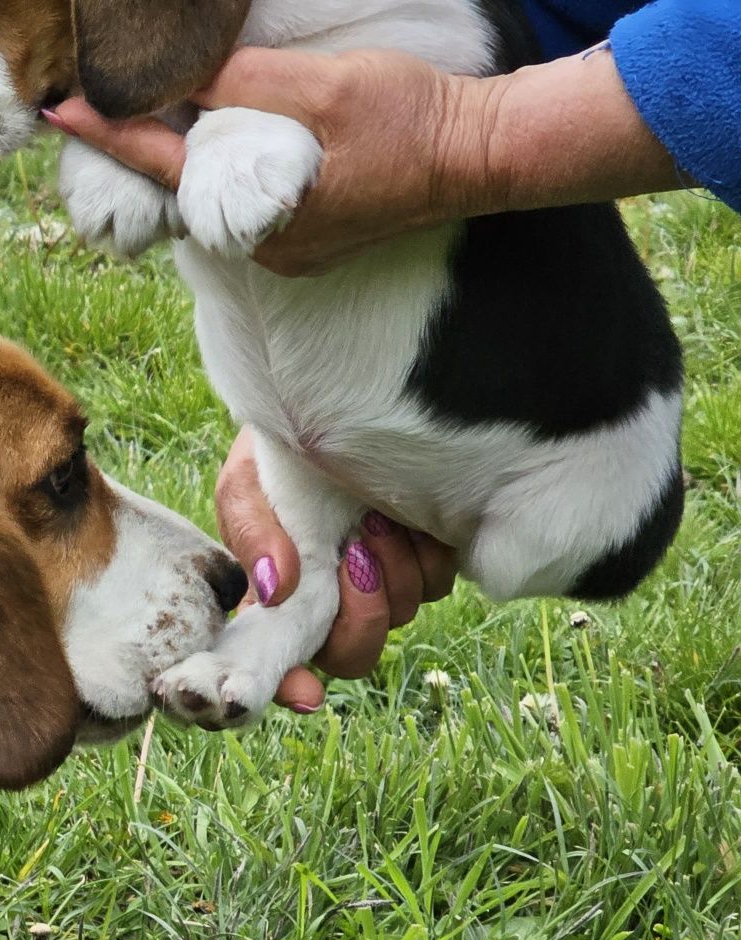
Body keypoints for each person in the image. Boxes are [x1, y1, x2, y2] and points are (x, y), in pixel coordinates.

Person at [47, 1, 740, 712]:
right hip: (387, 425)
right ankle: (273, 634)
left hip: (579, 475)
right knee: (304, 560)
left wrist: (464, 133)